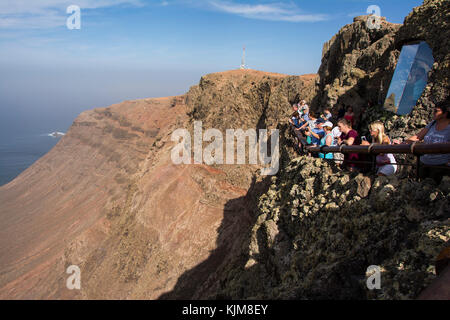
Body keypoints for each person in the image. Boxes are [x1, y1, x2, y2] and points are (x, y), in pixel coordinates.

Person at [406, 100, 450, 183]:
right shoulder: (433, 124)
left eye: (436, 111)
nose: (433, 112)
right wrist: (405, 143)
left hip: (441, 167)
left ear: (445, 113)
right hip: (424, 164)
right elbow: (418, 137)